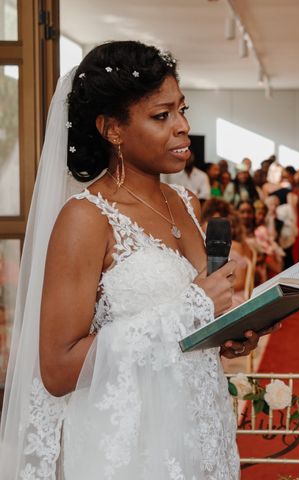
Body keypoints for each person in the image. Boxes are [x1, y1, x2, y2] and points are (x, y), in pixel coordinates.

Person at [0, 41, 276, 479]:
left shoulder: (186, 202)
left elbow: (185, 331)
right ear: (112, 129)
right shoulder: (85, 218)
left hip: (198, 428)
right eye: (161, 116)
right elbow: (57, 368)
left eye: (182, 110)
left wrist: (227, 331)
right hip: (131, 447)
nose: (183, 127)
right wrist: (191, 309)